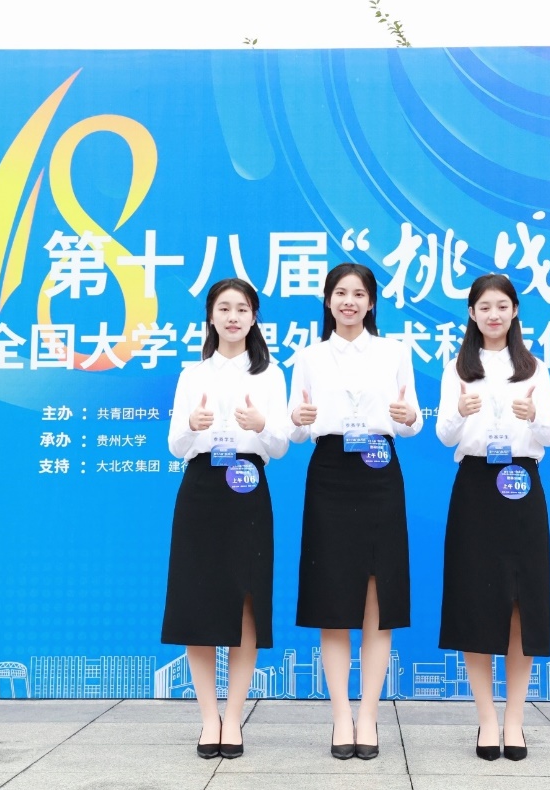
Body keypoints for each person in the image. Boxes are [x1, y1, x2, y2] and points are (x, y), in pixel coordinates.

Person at [288, 262, 421, 760]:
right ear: (328, 301)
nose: (349, 301)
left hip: (380, 467)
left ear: (371, 303)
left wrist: (409, 417)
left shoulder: (394, 352)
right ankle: (341, 716)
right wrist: (297, 419)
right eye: (340, 293)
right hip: (330, 471)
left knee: (376, 598)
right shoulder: (309, 357)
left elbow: (411, 422)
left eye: (359, 294)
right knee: (333, 597)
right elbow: (295, 429)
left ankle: (369, 715)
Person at [162, 278, 289, 759]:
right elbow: (175, 445)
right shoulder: (192, 374)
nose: (233, 317)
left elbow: (280, 445)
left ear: (254, 317)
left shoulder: (270, 375)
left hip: (248, 485)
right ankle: (208, 718)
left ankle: (233, 717)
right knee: (197, 602)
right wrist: (190, 428)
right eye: (224, 308)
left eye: (242, 309)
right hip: (201, 487)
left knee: (245, 600)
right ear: (211, 317)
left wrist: (262, 426)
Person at [435, 273, 550, 762]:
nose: (493, 314)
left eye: (502, 306)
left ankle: (515, 721)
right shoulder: (458, 367)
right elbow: (445, 435)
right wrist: (461, 411)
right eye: (484, 306)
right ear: (471, 313)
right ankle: (487, 720)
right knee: (476, 601)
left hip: (521, 483)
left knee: (520, 603)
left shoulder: (534, 367)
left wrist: (532, 417)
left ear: (514, 311)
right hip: (475, 485)